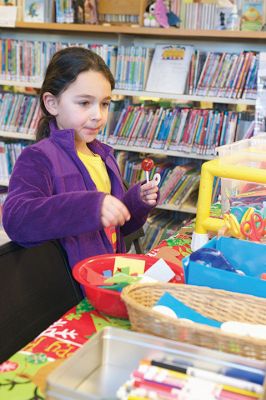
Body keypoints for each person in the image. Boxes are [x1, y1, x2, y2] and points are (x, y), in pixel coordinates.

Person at [3, 47, 159, 268]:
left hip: (107, 276)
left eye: (104, 103)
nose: (98, 116)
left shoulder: (102, 156)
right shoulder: (38, 157)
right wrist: (91, 207)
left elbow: (116, 229)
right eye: (84, 103)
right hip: (73, 290)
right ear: (52, 103)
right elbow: (17, 220)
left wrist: (136, 202)